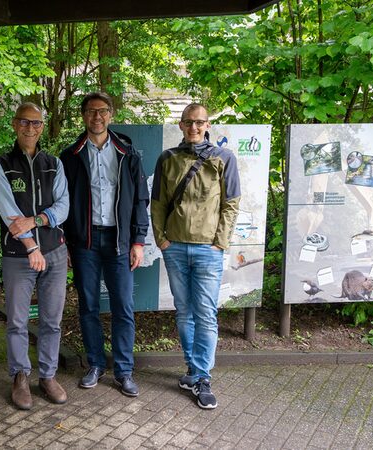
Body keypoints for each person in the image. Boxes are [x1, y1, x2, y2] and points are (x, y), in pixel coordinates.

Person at [149, 103, 240, 409]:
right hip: (174, 247)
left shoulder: (223, 158)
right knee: (184, 311)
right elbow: (158, 203)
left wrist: (220, 243)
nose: (194, 127)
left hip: (207, 250)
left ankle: (202, 376)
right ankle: (192, 368)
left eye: (199, 122)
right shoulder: (168, 159)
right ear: (181, 124)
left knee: (205, 313)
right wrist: (161, 239)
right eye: (189, 122)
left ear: (207, 124)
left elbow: (231, 203)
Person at [59, 92, 149, 397]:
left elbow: (140, 199)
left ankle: (124, 371)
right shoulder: (70, 156)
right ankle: (95, 364)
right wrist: (67, 242)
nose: (97, 117)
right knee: (88, 306)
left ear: (110, 114)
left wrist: (138, 240)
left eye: (102, 111)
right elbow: (62, 201)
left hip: (119, 240)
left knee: (124, 306)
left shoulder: (127, 153)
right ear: (83, 116)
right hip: (84, 242)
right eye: (90, 112)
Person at [0, 102, 70, 410]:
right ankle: (20, 376)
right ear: (15, 124)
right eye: (25, 122)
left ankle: (47, 376)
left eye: (36, 123)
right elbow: (8, 210)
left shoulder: (54, 163)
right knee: (17, 322)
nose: (30, 128)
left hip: (55, 252)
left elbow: (63, 206)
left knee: (52, 320)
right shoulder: (1, 165)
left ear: (42, 127)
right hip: (18, 256)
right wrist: (30, 247)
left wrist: (37, 221)